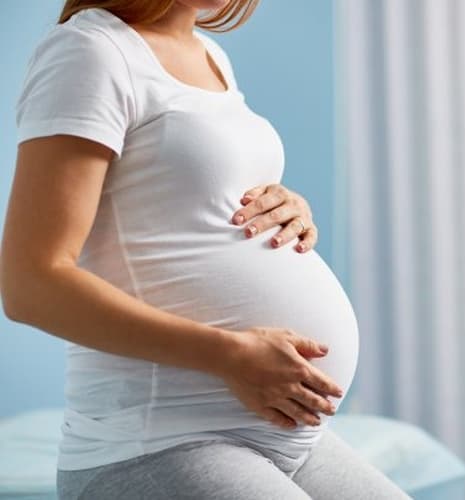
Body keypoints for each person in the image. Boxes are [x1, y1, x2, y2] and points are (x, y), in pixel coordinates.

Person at [0, 1, 410, 498]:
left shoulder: (210, 56)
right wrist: (230, 355)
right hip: (159, 442)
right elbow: (30, 283)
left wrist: (288, 205)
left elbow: (190, 205)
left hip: (284, 437)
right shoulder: (91, 51)